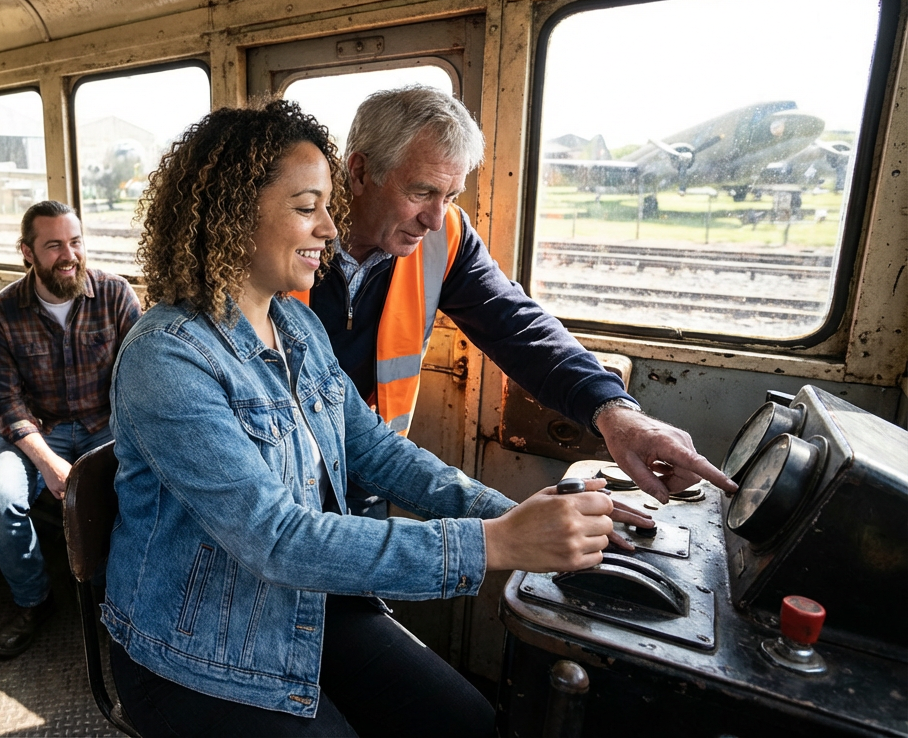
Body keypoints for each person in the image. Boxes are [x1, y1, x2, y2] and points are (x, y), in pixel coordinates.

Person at [103, 100, 655, 737]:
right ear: (233, 215)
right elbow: (276, 540)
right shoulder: (166, 357)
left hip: (306, 601)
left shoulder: (295, 324)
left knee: (470, 725)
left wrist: (514, 516)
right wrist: (497, 544)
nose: (331, 230)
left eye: (328, 208)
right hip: (201, 645)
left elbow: (378, 454)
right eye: (308, 208)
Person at [300, 85, 735, 517]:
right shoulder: (280, 240)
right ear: (359, 172)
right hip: (277, 468)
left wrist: (614, 411)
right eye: (421, 192)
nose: (435, 219)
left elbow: (517, 325)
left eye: (450, 196)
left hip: (365, 469)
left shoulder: (445, 237)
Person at [0, 200, 141, 659]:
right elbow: (6, 402)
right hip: (38, 431)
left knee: (134, 492)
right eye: (53, 245)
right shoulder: (2, 311)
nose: (68, 255)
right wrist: (48, 462)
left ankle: (120, 601)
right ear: (27, 252)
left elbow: (143, 377)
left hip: (106, 426)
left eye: (75, 242)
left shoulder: (115, 295)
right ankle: (35, 600)